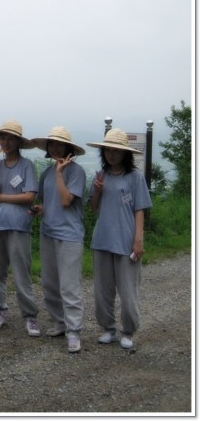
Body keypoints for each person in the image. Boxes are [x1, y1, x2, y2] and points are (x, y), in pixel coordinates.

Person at [87, 128, 152, 350]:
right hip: (102, 240)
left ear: (125, 153)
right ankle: (108, 329)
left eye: (116, 151)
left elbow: (140, 210)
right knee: (102, 290)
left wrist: (138, 239)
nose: (111, 155)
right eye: (107, 150)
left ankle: (128, 331)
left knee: (128, 291)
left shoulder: (135, 177)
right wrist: (97, 191)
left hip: (126, 241)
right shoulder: (100, 176)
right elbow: (93, 208)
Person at [30, 126, 86, 353]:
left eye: (59, 144)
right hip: (48, 232)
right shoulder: (47, 172)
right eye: (51, 144)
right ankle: (60, 323)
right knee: (50, 283)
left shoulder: (76, 172)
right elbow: (48, 202)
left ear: (68, 148)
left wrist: (61, 173)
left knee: (69, 285)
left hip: (69, 235)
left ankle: (74, 332)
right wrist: (39, 209)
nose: (54, 148)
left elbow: (65, 201)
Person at [0, 120, 40, 336]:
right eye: (3, 138)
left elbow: (29, 196)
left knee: (20, 270)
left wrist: (2, 197)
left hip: (18, 225)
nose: (6, 143)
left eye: (11, 139)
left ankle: (30, 315)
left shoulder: (26, 166)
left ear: (18, 142)